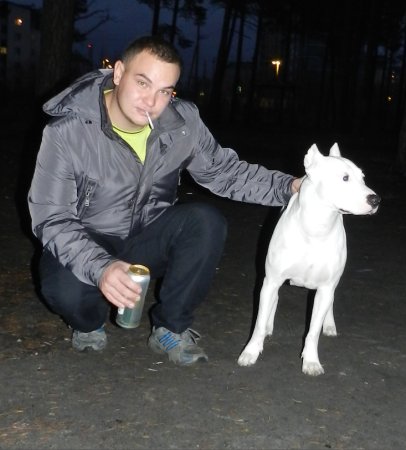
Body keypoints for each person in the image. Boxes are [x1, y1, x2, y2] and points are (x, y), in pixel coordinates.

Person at [28, 36, 301, 366]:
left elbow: (223, 172)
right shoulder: (68, 131)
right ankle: (88, 323)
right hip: (88, 236)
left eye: (165, 91)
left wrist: (290, 186)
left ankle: (170, 327)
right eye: (143, 83)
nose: (151, 101)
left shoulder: (181, 124)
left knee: (205, 221)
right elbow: (52, 217)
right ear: (119, 73)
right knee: (64, 290)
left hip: (149, 235)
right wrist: (102, 268)